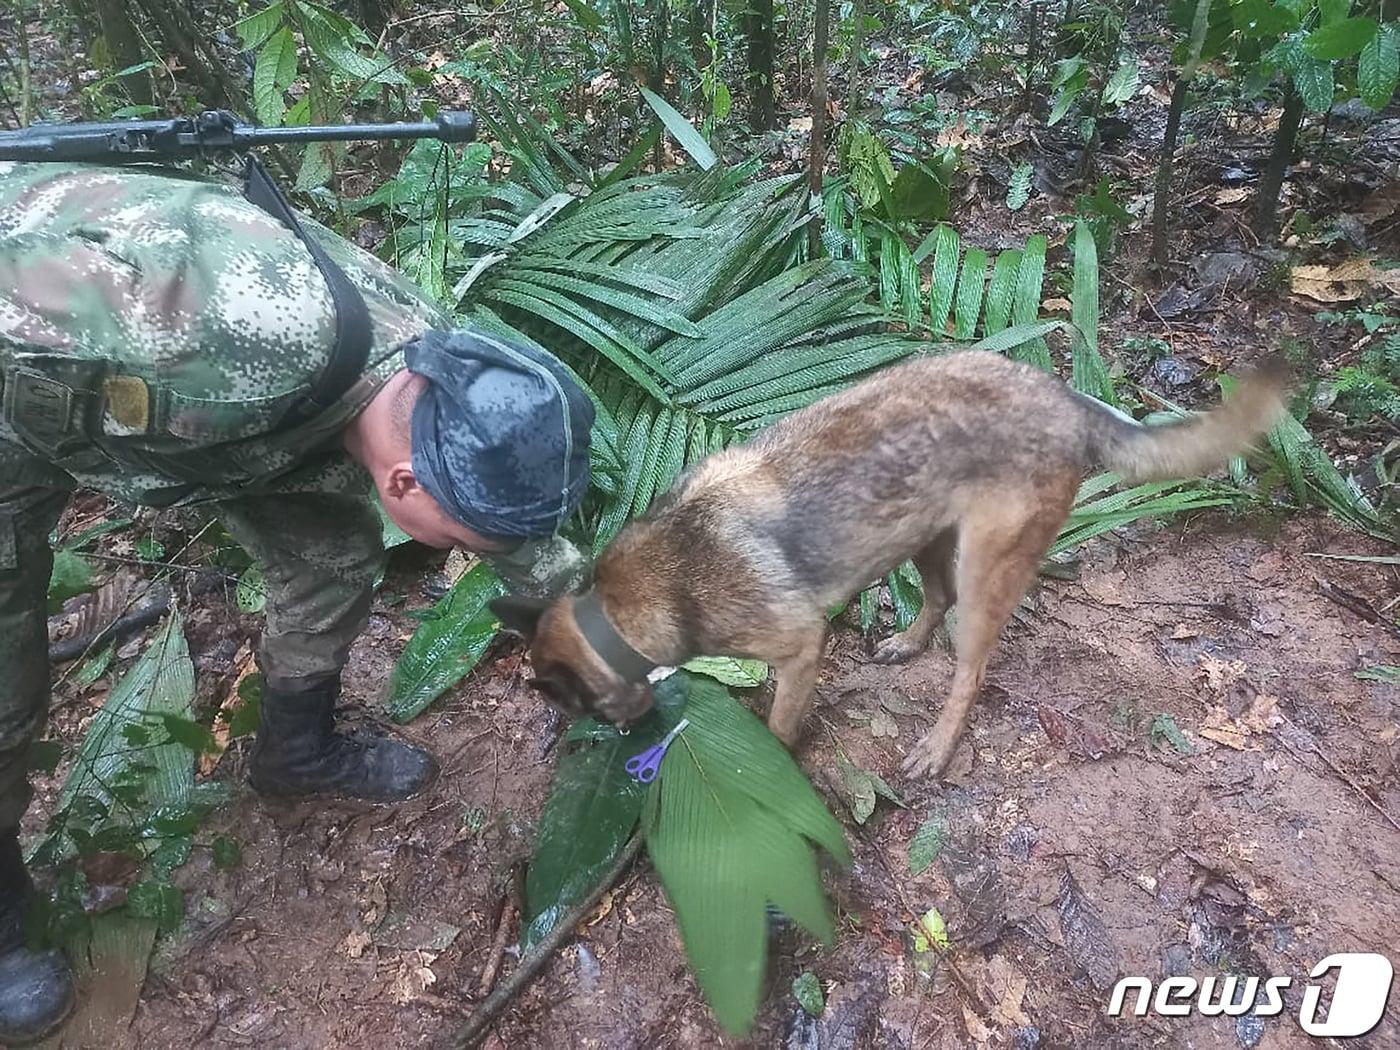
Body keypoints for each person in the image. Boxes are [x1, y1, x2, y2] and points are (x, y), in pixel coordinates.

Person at [0, 159, 594, 1044]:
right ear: (405, 479)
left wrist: (614, 658)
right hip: (27, 382)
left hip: (221, 424)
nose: (465, 558)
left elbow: (523, 539)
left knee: (330, 554)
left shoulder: (441, 375)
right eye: (460, 544)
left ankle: (295, 751)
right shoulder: (216, 341)